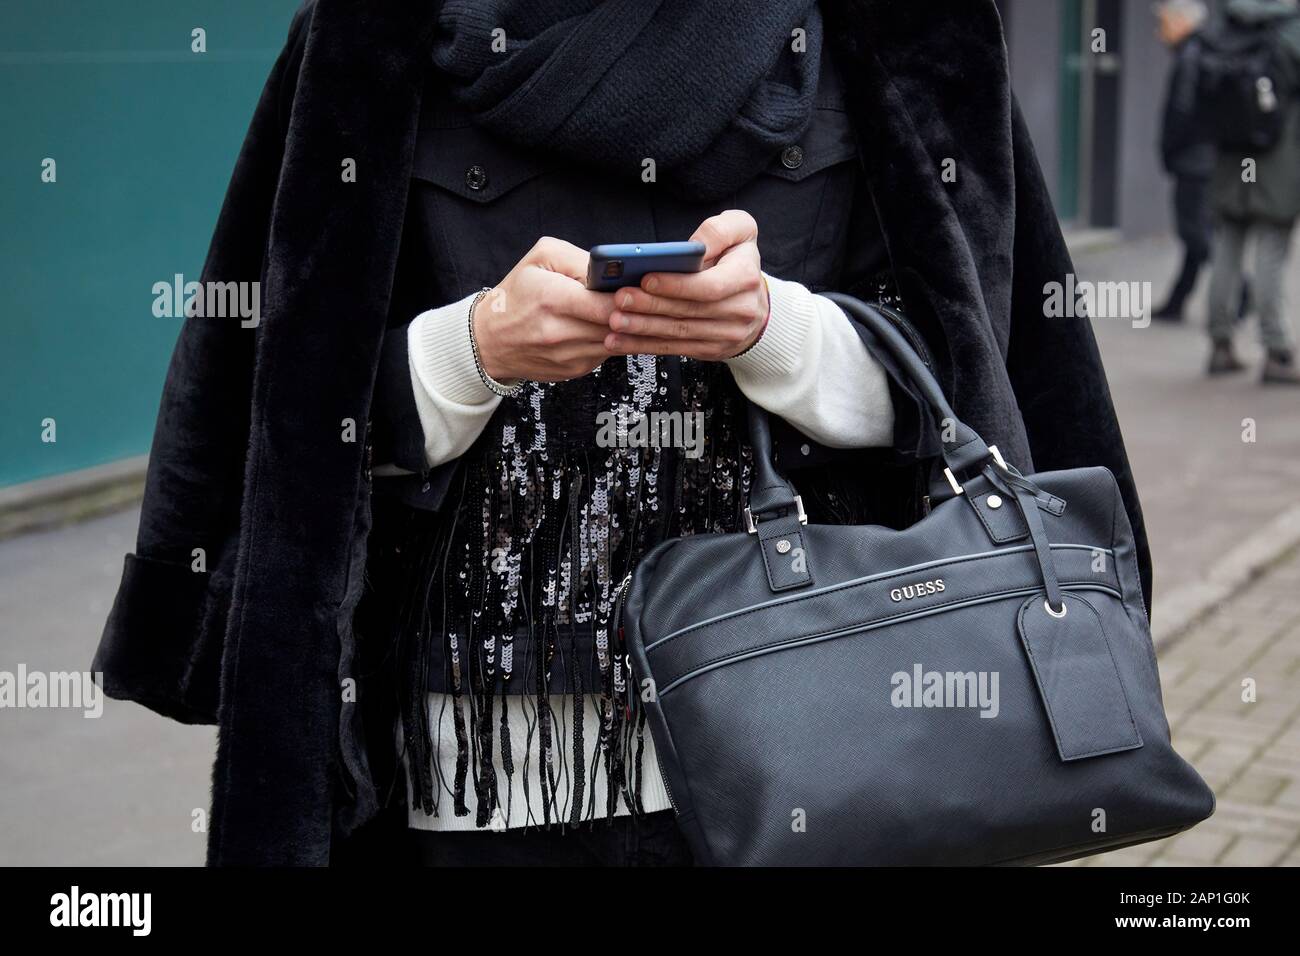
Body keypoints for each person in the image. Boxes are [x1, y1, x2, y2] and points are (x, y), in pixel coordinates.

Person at [91, 0, 1152, 866]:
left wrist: (779, 333)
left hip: (824, 739)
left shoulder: (904, 26)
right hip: (465, 765)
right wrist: (472, 351)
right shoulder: (368, 33)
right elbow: (275, 402)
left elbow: (980, 382)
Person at [1205, 0, 1300, 383]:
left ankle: (1220, 344)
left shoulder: (1227, 24)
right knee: (1272, 252)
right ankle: (1276, 350)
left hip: (1230, 159)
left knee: (1226, 248)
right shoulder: (1291, 30)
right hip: (1280, 160)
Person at [1154, 0, 1217, 322]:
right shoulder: (1205, 51)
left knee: (1197, 234)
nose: (1159, 31)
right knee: (1197, 233)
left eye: (1164, 22)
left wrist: (1169, 150)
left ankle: (1241, 293)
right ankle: (1177, 302)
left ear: (1181, 22)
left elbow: (1181, 109)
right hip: (1206, 159)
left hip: (1194, 162)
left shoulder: (1191, 56)